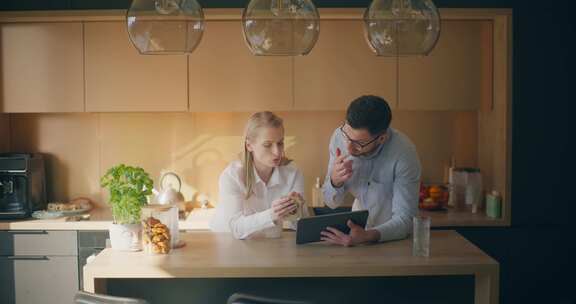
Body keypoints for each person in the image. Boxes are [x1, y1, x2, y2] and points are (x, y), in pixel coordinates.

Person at [321, 95, 421, 246]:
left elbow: (405, 220)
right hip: (354, 235)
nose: (348, 147)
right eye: (347, 135)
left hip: (393, 238)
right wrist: (335, 181)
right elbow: (331, 202)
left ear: (381, 138)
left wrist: (367, 236)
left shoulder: (404, 153)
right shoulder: (338, 137)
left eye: (359, 143)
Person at [210, 111, 307, 239]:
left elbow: (301, 225)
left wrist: (295, 211)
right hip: (229, 245)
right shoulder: (232, 176)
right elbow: (235, 228)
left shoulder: (292, 173)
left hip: (270, 248)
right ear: (249, 145)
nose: (277, 152)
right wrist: (272, 214)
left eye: (280, 143)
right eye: (267, 145)